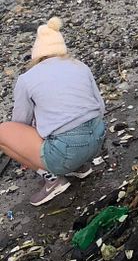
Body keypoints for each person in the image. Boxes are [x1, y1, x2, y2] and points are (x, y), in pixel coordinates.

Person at [0, 17, 106, 206]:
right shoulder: (80, 66)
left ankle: (53, 179)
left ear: (37, 54)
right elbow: (100, 106)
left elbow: (19, 123)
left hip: (66, 151)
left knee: (4, 132)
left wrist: (27, 149)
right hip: (97, 140)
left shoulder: (27, 78)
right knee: (69, 121)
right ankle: (80, 166)